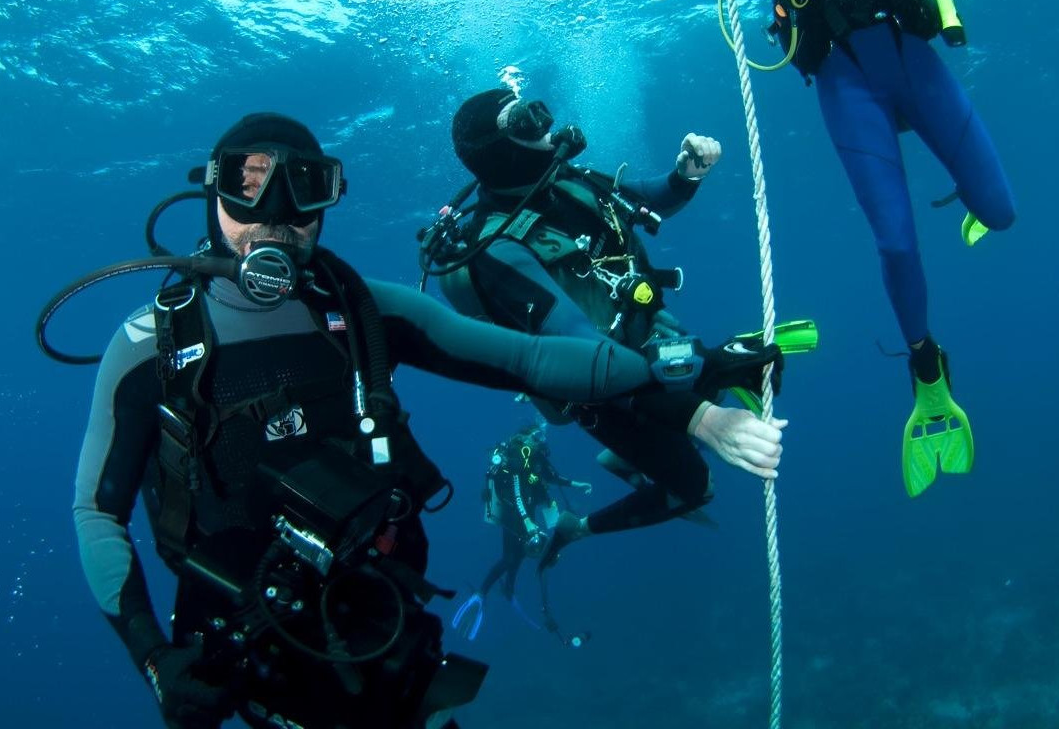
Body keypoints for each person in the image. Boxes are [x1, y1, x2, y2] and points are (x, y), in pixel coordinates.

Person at [68, 113, 785, 729]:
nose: (275, 216)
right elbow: (97, 513)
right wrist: (154, 658)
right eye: (248, 184)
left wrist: (692, 397)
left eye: (304, 188)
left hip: (387, 634)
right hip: (239, 659)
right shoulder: (147, 346)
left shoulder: (363, 310)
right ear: (211, 193)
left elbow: (535, 360)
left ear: (328, 198)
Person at [696, 0, 1016, 496]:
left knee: (1000, 211)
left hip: (909, 53)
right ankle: (925, 367)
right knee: (895, 242)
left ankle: (974, 203)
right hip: (844, 78)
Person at [421, 88, 788, 572]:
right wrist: (702, 418)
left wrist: (683, 178)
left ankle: (634, 453)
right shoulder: (495, 251)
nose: (547, 123)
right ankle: (579, 527)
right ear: (502, 148)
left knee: (746, 367)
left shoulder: (563, 180)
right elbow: (584, 347)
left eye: (539, 109)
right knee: (698, 488)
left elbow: (632, 200)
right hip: (598, 389)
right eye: (529, 121)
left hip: (649, 339)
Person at [451, 424, 591, 642]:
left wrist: (576, 484)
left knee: (523, 553)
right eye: (536, 436)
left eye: (541, 436)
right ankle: (481, 593)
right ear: (525, 437)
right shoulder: (518, 455)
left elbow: (551, 476)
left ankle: (508, 588)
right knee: (509, 557)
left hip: (528, 512)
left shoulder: (535, 456)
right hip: (513, 516)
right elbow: (516, 494)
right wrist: (527, 524)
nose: (540, 440)